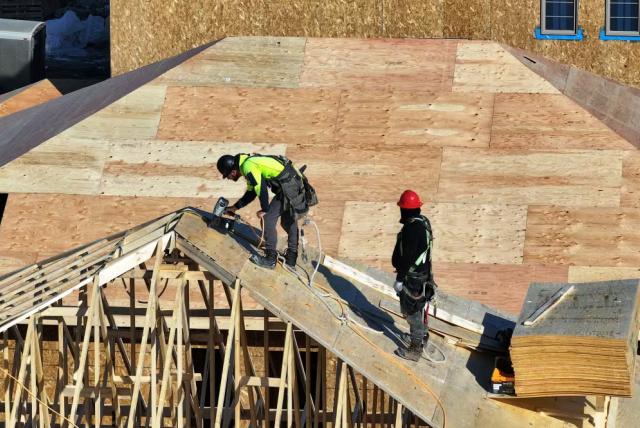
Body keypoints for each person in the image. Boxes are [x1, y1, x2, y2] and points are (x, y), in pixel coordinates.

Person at [217, 153, 310, 269]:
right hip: (292, 184)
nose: (229, 179)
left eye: (227, 176)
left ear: (233, 171)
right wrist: (235, 207)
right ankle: (291, 258)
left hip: (289, 187)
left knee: (267, 219)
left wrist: (265, 210)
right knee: (287, 220)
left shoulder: (247, 166)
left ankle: (270, 259)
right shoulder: (248, 163)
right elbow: (251, 193)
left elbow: (261, 189)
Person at [392, 190, 436, 362]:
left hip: (413, 279)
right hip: (423, 275)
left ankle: (415, 349)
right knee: (419, 308)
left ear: (405, 210)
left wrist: (400, 279)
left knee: (412, 312)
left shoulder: (412, 229)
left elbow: (408, 257)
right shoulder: (423, 222)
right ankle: (423, 336)